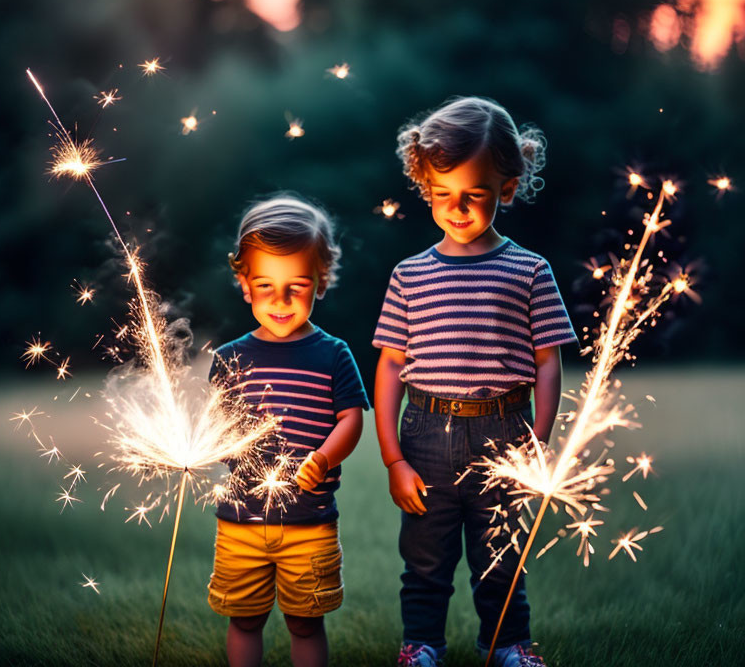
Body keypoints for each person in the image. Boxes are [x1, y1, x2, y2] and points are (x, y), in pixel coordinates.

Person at [373, 97, 578, 667]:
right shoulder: (409, 275)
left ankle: (507, 644)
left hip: (505, 430)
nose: (456, 209)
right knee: (425, 557)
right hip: (426, 433)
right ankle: (422, 646)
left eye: (475, 195)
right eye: (443, 195)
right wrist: (393, 457)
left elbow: (546, 361)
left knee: (502, 556)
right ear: (425, 185)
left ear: (507, 188)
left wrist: (536, 440)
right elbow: (391, 364)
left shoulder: (530, 270)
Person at [208, 194, 367, 667]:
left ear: (321, 282)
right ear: (244, 284)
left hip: (310, 522)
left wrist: (322, 458)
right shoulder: (228, 359)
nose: (280, 301)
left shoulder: (333, 354)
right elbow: (217, 427)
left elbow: (352, 419)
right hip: (239, 522)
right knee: (245, 619)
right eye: (265, 285)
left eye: (296, 286)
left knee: (305, 621)